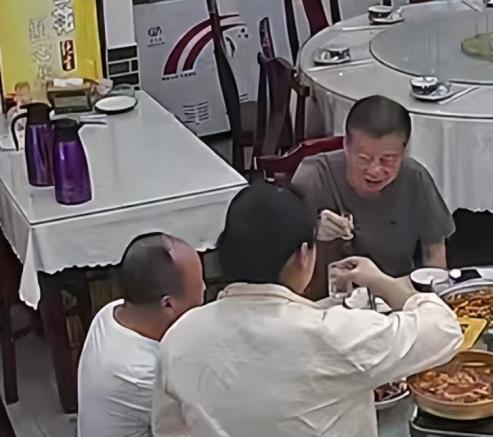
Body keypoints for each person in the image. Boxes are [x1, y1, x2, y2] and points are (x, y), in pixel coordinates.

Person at [152, 182, 462, 437]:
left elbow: (169, 429)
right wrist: (382, 282)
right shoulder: (331, 334)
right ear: (303, 256)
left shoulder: (180, 336)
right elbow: (444, 330)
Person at [292, 95, 455, 294]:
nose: (375, 170)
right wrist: (311, 230)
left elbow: (434, 251)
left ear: (404, 151)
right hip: (327, 301)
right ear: (345, 146)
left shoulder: (415, 178)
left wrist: (433, 300)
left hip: (395, 294)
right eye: (364, 158)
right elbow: (281, 253)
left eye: (388, 160)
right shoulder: (314, 177)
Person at [77, 233, 205, 437]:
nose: (204, 290)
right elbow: (206, 424)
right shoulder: (144, 375)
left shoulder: (110, 313)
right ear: (168, 304)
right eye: (199, 286)